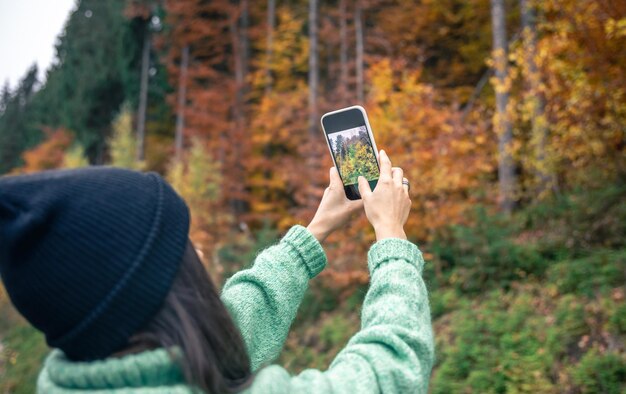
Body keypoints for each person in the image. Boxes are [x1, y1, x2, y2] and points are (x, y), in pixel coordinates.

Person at [0, 150, 434, 393]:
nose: (199, 250)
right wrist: (391, 236)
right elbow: (390, 369)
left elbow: (222, 328)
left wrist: (316, 228)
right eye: (182, 246)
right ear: (150, 293)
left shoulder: (72, 375)